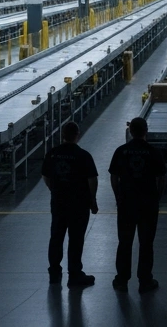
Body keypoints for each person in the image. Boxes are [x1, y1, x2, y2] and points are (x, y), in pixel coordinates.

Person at [109, 116, 166, 293]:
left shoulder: (121, 151)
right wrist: (158, 197)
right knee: (146, 243)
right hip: (148, 203)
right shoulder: (153, 151)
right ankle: (145, 280)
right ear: (146, 131)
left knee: (125, 242)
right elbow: (162, 178)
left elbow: (113, 176)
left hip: (126, 203)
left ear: (130, 132)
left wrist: (118, 195)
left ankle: (122, 280)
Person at [41, 121, 99, 289]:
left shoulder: (52, 154)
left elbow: (45, 176)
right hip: (78, 204)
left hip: (58, 202)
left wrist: (54, 189)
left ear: (62, 135)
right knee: (76, 239)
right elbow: (92, 180)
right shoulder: (83, 155)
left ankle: (54, 273)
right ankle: (74, 275)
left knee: (56, 237)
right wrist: (92, 200)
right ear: (77, 135)